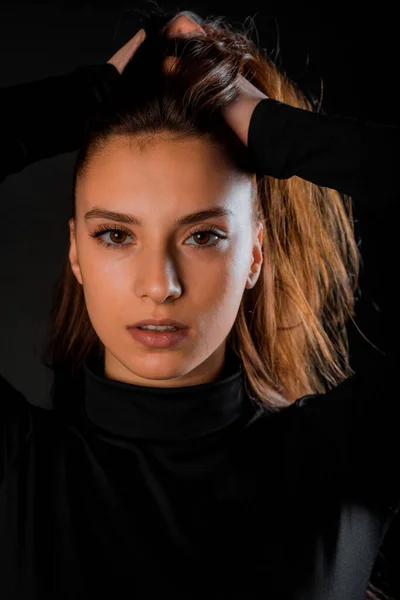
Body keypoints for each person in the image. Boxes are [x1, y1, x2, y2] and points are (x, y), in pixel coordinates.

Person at [0, 8, 398, 600]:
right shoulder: (16, 473)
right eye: (116, 234)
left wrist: (271, 127)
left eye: (203, 235)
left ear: (255, 255)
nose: (160, 285)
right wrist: (79, 101)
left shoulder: (345, 461)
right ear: (76, 253)